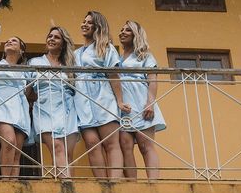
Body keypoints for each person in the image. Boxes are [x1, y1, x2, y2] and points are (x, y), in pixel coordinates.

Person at [74, 11, 127, 179]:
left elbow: (113, 75)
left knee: (111, 143)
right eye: (84, 21)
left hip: (103, 97)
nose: (84, 24)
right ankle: (102, 184)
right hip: (82, 99)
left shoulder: (106, 47)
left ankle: (114, 182)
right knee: (91, 143)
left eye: (89, 22)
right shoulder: (75, 54)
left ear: (97, 26)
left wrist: (119, 101)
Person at [26, 27, 79, 179]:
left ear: (63, 44)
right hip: (44, 108)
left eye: (56, 37)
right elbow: (27, 90)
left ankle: (70, 185)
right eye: (50, 36)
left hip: (67, 108)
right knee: (57, 147)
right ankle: (66, 186)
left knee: (68, 154)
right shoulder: (35, 62)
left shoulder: (69, 64)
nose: (52, 39)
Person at [118, 20, 165, 180]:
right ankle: (133, 184)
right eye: (122, 30)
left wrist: (150, 103)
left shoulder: (144, 56)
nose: (122, 32)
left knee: (146, 146)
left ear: (136, 35)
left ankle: (153, 184)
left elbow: (153, 79)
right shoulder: (117, 57)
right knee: (125, 145)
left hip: (141, 102)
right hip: (124, 107)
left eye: (128, 30)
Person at [0, 36, 32, 179]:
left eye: (14, 41)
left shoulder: (25, 71)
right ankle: (5, 182)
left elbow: (29, 91)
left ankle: (14, 184)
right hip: (0, 104)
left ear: (21, 50)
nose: (9, 41)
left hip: (19, 108)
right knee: (9, 141)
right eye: (7, 41)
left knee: (17, 152)